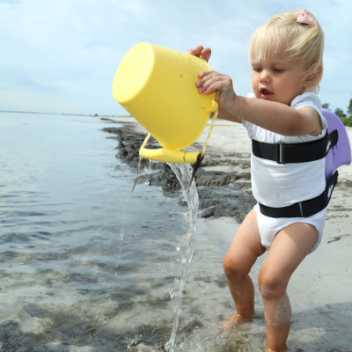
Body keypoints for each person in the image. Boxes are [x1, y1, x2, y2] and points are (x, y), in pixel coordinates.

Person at [191, 9, 326, 352]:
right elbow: (211, 108)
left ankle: (274, 348)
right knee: (233, 266)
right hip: (264, 211)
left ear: (310, 77)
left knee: (271, 281)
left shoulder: (309, 112)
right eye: (257, 68)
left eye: (277, 70)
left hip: (300, 218)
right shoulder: (254, 109)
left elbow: (292, 124)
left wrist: (238, 102)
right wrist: (195, 77)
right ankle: (242, 314)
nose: (263, 77)